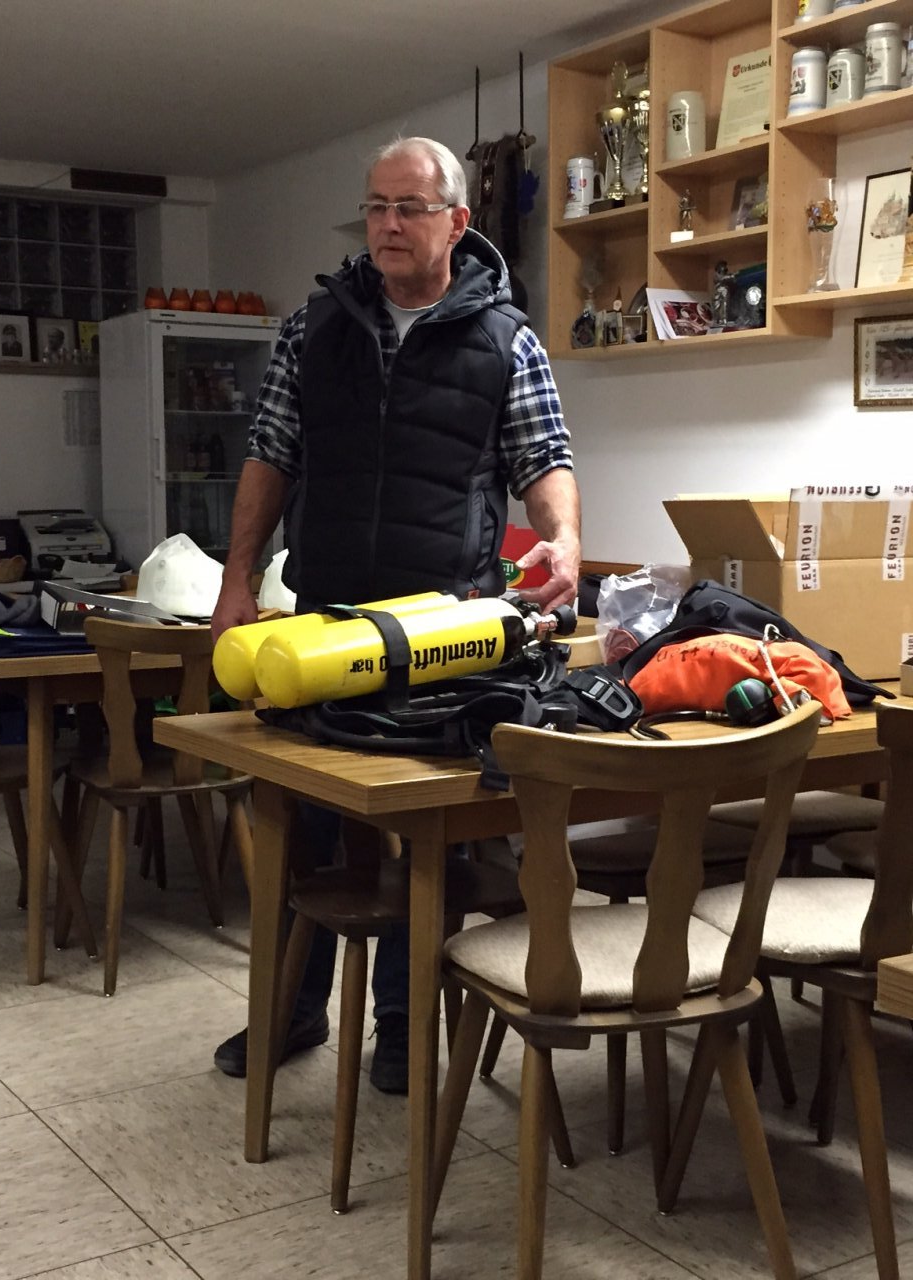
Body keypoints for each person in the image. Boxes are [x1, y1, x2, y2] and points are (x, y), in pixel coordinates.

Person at [211, 135, 581, 1093]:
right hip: (323, 623)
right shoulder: (313, 329)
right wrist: (236, 577)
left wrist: (564, 541)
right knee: (301, 827)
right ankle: (291, 1010)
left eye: (408, 207)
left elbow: (543, 457)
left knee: (423, 838)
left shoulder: (506, 339)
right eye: (375, 206)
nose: (386, 224)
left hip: (443, 631)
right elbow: (271, 452)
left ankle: (404, 1030)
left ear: (457, 221)